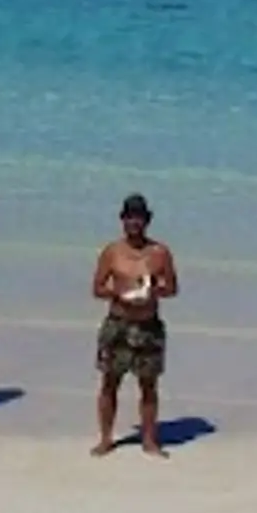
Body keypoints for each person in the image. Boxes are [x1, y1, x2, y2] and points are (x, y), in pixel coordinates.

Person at [90, 190, 179, 457]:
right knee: (109, 382)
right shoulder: (112, 252)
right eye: (130, 218)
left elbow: (172, 288)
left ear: (147, 220)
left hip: (148, 325)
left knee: (149, 385)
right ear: (123, 220)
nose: (134, 223)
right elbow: (97, 288)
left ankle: (149, 440)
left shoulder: (160, 253)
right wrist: (119, 294)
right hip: (118, 322)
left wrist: (153, 291)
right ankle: (106, 438)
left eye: (139, 218)